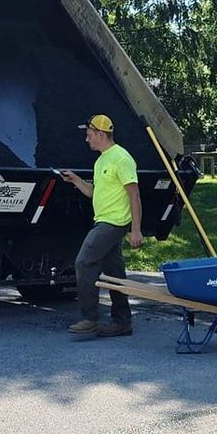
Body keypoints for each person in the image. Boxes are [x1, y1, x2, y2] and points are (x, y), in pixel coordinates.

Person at [60, 113, 144, 339]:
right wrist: (75, 180)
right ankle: (122, 322)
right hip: (103, 219)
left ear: (100, 134)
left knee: (84, 261)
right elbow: (93, 193)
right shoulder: (100, 161)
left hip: (114, 222)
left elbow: (134, 195)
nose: (86, 139)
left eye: (89, 135)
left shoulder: (122, 158)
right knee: (115, 272)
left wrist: (136, 229)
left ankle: (90, 318)